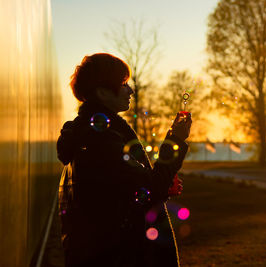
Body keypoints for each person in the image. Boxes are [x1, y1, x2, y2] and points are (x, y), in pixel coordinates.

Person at [57, 53, 191, 266]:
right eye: (123, 83)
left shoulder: (87, 135)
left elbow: (128, 193)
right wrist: (175, 140)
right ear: (102, 92)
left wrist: (161, 184)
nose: (130, 90)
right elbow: (150, 187)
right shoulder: (99, 140)